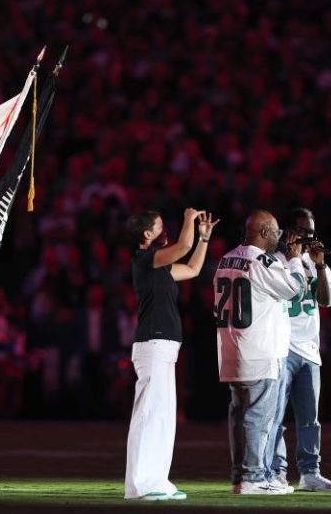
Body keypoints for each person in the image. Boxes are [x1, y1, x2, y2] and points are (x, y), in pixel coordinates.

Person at [123, 208, 218, 501]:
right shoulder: (144, 260)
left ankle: (157, 481)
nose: (165, 230)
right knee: (149, 416)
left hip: (164, 348)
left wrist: (203, 239)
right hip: (152, 345)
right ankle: (140, 485)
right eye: (160, 226)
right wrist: (189, 220)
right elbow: (182, 247)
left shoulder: (161, 266)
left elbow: (192, 269)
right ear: (146, 234)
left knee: (163, 418)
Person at [215, 210, 305, 495]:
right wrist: (294, 260)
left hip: (231, 349)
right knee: (257, 418)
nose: (279, 237)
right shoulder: (262, 261)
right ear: (264, 232)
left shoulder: (226, 257)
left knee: (238, 416)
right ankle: (253, 477)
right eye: (276, 231)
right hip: (260, 350)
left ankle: (238, 476)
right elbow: (297, 290)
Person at [264, 207, 331, 492]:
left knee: (310, 418)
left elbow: (326, 300)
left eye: (311, 232)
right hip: (281, 347)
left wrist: (319, 266)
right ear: (288, 232)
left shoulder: (316, 262)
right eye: (302, 232)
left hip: (309, 350)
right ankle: (276, 472)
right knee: (276, 416)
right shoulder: (274, 260)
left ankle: (310, 473)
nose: (308, 238)